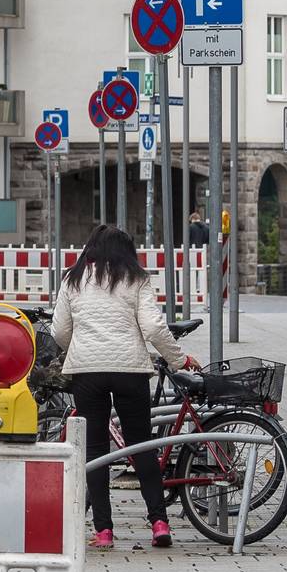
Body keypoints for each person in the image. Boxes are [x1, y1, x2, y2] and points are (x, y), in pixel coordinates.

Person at [54, 225, 195, 549]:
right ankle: (159, 523)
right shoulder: (136, 278)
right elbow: (154, 327)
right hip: (130, 369)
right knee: (142, 445)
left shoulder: (73, 280)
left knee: (96, 450)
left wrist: (79, 348)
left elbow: (61, 330)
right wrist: (178, 359)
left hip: (87, 372)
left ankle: (103, 531)